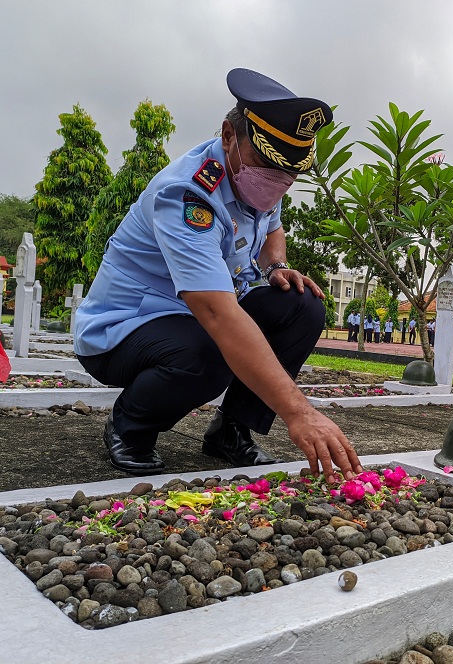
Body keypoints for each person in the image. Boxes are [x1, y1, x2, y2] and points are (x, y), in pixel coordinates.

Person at [73, 68, 362, 483]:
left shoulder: (257, 178)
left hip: (195, 318)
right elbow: (216, 315)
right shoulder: (188, 195)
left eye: (289, 174)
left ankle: (231, 431)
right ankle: (130, 426)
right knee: (210, 351)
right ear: (229, 134)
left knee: (301, 306)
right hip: (124, 330)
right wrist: (300, 414)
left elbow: (272, 224)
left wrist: (277, 266)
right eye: (268, 165)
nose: (278, 183)